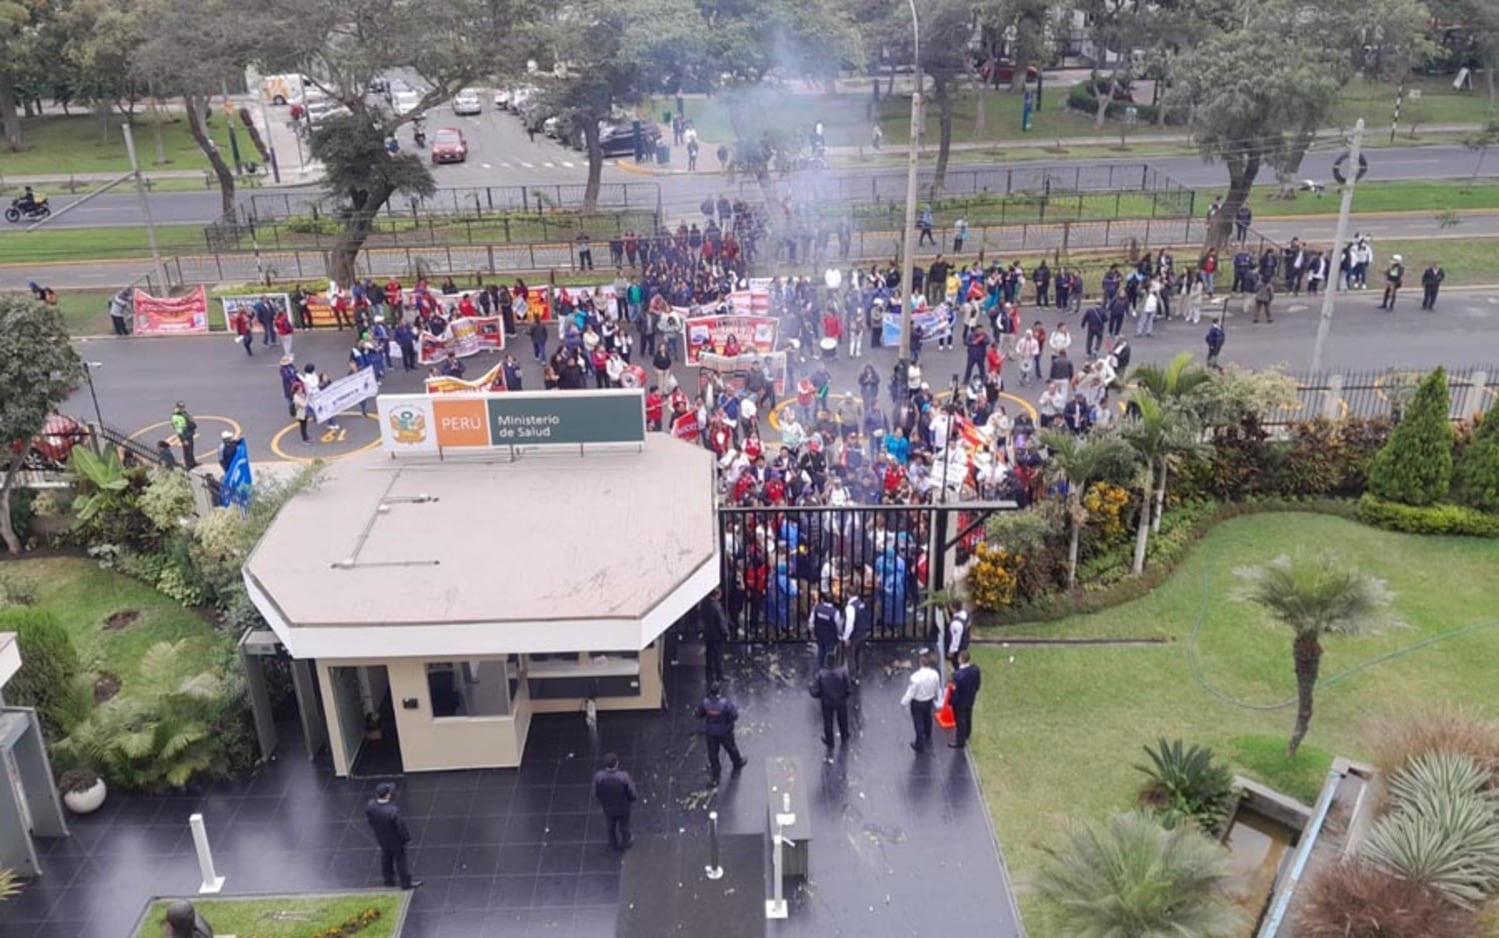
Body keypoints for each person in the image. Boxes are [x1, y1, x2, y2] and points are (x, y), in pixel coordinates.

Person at [365, 782, 421, 890]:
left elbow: (370, 819)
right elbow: (401, 827)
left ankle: (388, 881)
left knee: (386, 859)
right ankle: (405, 883)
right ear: (387, 795)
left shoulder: (371, 806)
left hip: (382, 839)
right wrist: (406, 839)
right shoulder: (392, 811)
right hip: (395, 841)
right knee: (400, 861)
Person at [696, 683, 747, 786]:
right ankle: (737, 762)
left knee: (713, 754)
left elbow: (698, 715)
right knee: (731, 747)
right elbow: (734, 715)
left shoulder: (705, 703)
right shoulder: (725, 704)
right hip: (725, 731)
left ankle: (715, 778)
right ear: (719, 692)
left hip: (711, 733)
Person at [593, 753, 638, 851]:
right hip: (622, 807)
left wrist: (601, 802)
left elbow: (596, 793)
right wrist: (632, 799)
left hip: (608, 808)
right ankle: (626, 841)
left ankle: (613, 843)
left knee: (610, 826)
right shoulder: (623, 777)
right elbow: (631, 792)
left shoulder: (599, 777)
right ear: (617, 763)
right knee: (624, 826)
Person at [900, 651, 942, 752]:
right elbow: (937, 688)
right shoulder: (935, 674)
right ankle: (928, 735)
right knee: (928, 718)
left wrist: (904, 702)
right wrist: (937, 697)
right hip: (929, 700)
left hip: (918, 702)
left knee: (918, 723)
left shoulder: (915, 677)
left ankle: (920, 744)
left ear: (920, 663)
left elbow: (911, 692)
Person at [811, 652, 852, 751]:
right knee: (843, 720)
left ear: (826, 662)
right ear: (835, 661)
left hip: (827, 702)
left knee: (828, 722)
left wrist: (819, 695)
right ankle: (844, 736)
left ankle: (830, 741)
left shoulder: (821, 674)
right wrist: (845, 695)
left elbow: (814, 690)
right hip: (840, 701)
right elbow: (848, 688)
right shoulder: (842, 672)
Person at [948, 649, 982, 750]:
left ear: (960, 660)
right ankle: (967, 733)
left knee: (960, 720)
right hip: (970, 697)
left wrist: (952, 702)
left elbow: (955, 692)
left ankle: (960, 741)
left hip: (960, 702)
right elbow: (977, 684)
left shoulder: (957, 676)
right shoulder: (975, 669)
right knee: (968, 715)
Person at [700, 585, 730, 686]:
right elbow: (721, 622)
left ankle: (708, 672)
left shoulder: (705, 604)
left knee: (709, 653)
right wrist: (726, 633)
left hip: (708, 633)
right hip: (717, 635)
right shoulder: (717, 606)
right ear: (717, 595)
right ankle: (719, 675)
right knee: (717, 655)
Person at [842, 589, 872, 683]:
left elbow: (849, 624)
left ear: (848, 594)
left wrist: (846, 638)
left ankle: (853, 676)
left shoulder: (850, 607)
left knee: (850, 655)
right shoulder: (861, 604)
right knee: (858, 653)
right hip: (864, 633)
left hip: (855, 635)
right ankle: (858, 671)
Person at [809, 591, 842, 670]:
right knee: (829, 653)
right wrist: (839, 635)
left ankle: (819, 669)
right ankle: (828, 670)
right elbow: (839, 626)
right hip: (830, 637)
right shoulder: (835, 612)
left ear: (823, 600)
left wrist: (812, 633)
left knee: (820, 651)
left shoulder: (816, 608)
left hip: (819, 634)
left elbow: (811, 622)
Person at [944, 598, 971, 673]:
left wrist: (951, 651)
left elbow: (956, 639)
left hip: (959, 646)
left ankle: (959, 673)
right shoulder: (966, 614)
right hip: (965, 640)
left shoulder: (956, 623)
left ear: (954, 609)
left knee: (956, 663)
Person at [170, 402, 198, 469]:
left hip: (189, 432)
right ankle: (188, 464)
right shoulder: (175, 417)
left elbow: (189, 419)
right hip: (184, 434)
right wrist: (183, 439)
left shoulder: (184, 413)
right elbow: (178, 430)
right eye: (181, 407)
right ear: (178, 407)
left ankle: (192, 462)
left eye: (183, 406)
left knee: (191, 449)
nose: (183, 408)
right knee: (187, 450)